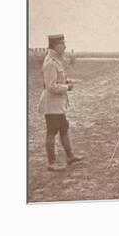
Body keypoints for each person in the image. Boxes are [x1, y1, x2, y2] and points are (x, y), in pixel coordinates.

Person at [38, 34, 83, 171]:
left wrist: (66, 81)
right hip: (51, 104)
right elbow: (51, 86)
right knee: (51, 132)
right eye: (62, 44)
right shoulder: (50, 62)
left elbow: (57, 80)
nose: (65, 46)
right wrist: (67, 87)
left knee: (63, 128)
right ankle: (51, 163)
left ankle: (70, 156)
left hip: (58, 104)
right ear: (55, 46)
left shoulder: (56, 60)